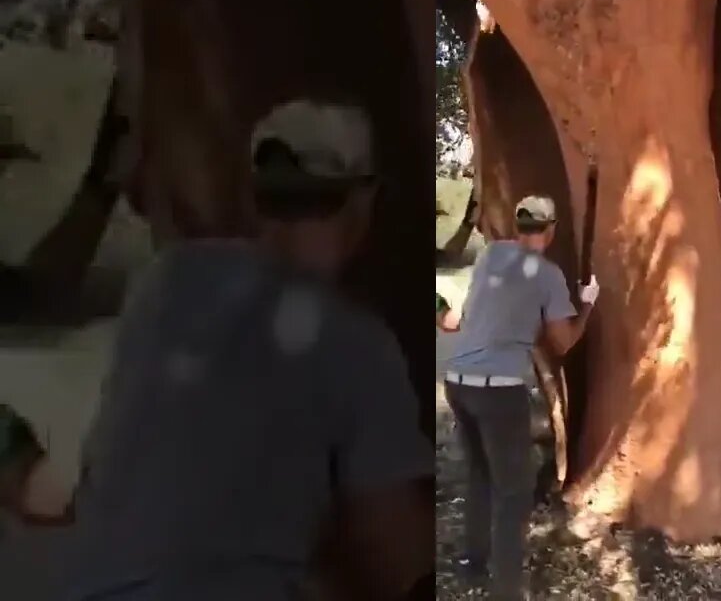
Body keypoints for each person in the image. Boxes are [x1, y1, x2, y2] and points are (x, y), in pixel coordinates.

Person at [0, 99, 434, 601]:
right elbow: (397, 550)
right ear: (364, 203)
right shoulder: (358, 344)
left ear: (253, 198)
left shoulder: (167, 280)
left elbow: (72, 491)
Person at [437, 195, 598, 599]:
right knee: (513, 491)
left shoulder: (491, 255)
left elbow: (460, 319)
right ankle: (506, 590)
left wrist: (438, 305)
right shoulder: (548, 276)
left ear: (517, 225)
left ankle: (472, 562)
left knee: (480, 474)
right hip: (498, 390)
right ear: (551, 229)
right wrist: (590, 305)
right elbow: (562, 343)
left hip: (457, 381)